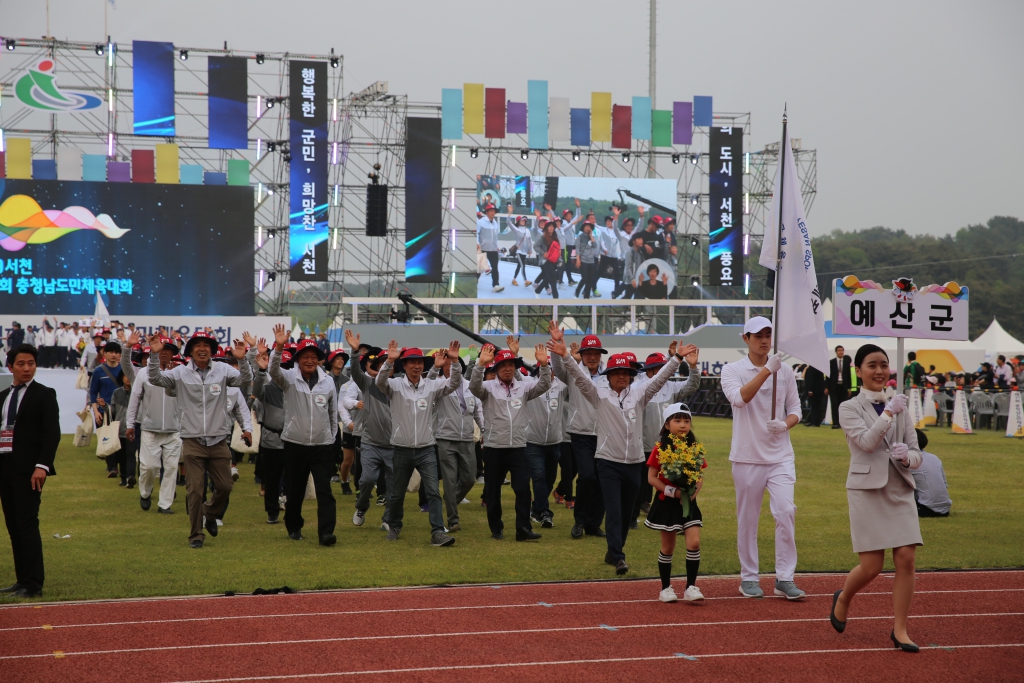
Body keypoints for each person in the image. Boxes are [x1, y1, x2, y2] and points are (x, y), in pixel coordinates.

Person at [550, 335, 691, 575]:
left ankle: (613, 551)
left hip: (634, 463)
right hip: (607, 463)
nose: (621, 376)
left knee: (627, 514)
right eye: (616, 372)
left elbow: (660, 378)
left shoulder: (639, 395)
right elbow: (580, 378)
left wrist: (677, 358)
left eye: (626, 373)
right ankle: (618, 556)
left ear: (631, 376)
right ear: (609, 376)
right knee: (614, 511)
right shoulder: (599, 396)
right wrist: (564, 355)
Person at [831, 344, 923, 653]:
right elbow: (867, 443)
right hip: (865, 489)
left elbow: (916, 451)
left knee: (906, 559)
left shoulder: (899, 405)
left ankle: (900, 630)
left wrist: (907, 457)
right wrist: (888, 413)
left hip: (899, 486)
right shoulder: (848, 407)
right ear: (858, 371)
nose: (880, 370)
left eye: (884, 364)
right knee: (871, 567)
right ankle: (843, 597)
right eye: (872, 365)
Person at [720, 316, 806, 600]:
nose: (764, 339)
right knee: (748, 519)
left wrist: (786, 424)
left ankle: (785, 577)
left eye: (768, 334)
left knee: (786, 512)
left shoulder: (786, 371)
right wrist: (767, 371)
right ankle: (749, 577)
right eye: (758, 335)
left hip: (780, 455)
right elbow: (739, 399)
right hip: (747, 457)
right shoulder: (732, 370)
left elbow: (795, 408)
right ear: (745, 338)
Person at [147, 331, 252, 549]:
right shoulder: (180, 373)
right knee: (195, 490)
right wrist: (154, 355)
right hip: (192, 441)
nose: (202, 348)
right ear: (190, 350)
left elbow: (246, 379)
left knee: (225, 487)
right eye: (197, 345)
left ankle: (210, 513)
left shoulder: (223, 371)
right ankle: (196, 534)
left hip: (218, 441)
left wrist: (242, 359)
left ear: (213, 351)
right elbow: (155, 378)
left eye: (206, 345)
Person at [375, 340, 462, 547]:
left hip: (426, 449)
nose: (416, 366)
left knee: (432, 491)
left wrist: (455, 361)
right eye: (412, 363)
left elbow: (454, 383)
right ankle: (394, 525)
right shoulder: (395, 385)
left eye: (420, 363)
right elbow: (379, 383)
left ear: (424, 365)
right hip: (401, 449)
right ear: (404, 366)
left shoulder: (431, 385)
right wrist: (388, 361)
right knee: (397, 493)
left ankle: (438, 532)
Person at [470, 343, 552, 541]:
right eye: (503, 365)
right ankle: (496, 529)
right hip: (493, 447)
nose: (508, 368)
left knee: (523, 489)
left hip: (518, 447)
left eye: (511, 365)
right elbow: (473, 386)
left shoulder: (523, 388)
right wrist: (480, 364)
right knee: (492, 490)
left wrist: (544, 365)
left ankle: (523, 529)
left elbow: (544, 384)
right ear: (496, 368)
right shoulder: (488, 387)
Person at [269, 326, 339, 546]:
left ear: (319, 360)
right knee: (295, 490)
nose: (309, 360)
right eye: (305, 357)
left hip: (321, 446)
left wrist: (330, 437)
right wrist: (279, 347)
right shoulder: (289, 378)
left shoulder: (328, 382)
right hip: (295, 444)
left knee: (324, 491)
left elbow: (333, 413)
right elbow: (273, 370)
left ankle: (326, 533)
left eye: (313, 357)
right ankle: (294, 525)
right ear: (298, 360)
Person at [1, 345, 58, 599]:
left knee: (26, 524)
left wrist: (41, 466)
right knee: (13, 527)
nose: (26, 368)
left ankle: (33, 583)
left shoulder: (44, 394)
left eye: (31, 363)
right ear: (10, 366)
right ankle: (21, 580)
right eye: (21, 364)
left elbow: (51, 433)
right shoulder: (3, 396)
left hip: (29, 470)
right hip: (4, 468)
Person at [645, 403, 706, 603]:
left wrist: (693, 493)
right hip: (667, 503)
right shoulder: (660, 448)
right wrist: (674, 492)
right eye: (677, 421)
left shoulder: (694, 447)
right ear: (667, 424)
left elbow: (699, 475)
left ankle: (691, 587)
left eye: (686, 421)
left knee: (694, 542)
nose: (683, 425)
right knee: (668, 547)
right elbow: (652, 478)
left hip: (688, 503)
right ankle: (665, 588)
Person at [634, 349, 700, 524]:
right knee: (640, 479)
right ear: (648, 371)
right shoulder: (637, 387)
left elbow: (691, 385)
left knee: (669, 477)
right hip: (642, 442)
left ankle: (659, 508)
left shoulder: (670, 386)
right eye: (659, 368)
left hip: (666, 444)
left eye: (665, 367)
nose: (664, 371)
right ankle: (633, 512)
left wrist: (693, 367)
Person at [554, 332, 609, 539]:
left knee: (603, 479)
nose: (592, 357)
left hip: (605, 433)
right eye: (588, 353)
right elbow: (558, 368)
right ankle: (579, 521)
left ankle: (594, 524)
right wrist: (558, 345)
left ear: (600, 354)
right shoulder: (574, 371)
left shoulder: (609, 374)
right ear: (582, 354)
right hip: (581, 433)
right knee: (586, 476)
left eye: (596, 353)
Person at [427, 349, 484, 533]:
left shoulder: (471, 387)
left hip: (467, 439)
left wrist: (485, 432)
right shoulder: (438, 385)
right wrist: (435, 367)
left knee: (469, 478)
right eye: (444, 365)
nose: (448, 368)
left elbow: (478, 412)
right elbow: (428, 382)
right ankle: (453, 519)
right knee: (450, 481)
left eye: (451, 364)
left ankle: (451, 500)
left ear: (458, 366)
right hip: (445, 439)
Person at [344, 331, 394, 530]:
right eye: (381, 364)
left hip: (394, 444)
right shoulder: (367, 383)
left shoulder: (399, 386)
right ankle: (361, 507)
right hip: (370, 442)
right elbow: (355, 372)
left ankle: (388, 518)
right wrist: (355, 352)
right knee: (367, 479)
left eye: (387, 364)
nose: (384, 368)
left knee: (392, 485)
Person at [251, 340, 287, 524]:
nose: (283, 371)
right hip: (271, 438)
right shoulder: (268, 386)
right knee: (272, 478)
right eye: (281, 366)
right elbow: (256, 391)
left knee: (293, 478)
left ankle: (291, 509)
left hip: (294, 439)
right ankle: (272, 511)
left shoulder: (296, 387)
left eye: (286, 367)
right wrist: (262, 371)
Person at [477, 203, 504, 293]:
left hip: (493, 249)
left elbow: (496, 237)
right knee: (480, 268)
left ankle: (495, 285)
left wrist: (497, 246)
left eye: (494, 211)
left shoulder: (495, 223)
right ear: (487, 212)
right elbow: (476, 233)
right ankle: (475, 281)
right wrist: (477, 243)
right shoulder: (481, 222)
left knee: (495, 267)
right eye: (491, 211)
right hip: (483, 248)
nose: (493, 213)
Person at [533, 221, 562, 299]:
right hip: (545, 260)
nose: (551, 227)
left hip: (554, 260)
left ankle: (537, 291)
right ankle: (556, 298)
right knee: (553, 279)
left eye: (552, 226)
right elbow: (535, 246)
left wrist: (559, 252)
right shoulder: (542, 237)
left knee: (549, 278)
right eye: (549, 226)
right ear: (546, 228)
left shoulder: (555, 237)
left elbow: (558, 247)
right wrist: (543, 252)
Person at [506, 206, 534, 288]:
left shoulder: (527, 230)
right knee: (522, 265)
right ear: (518, 221)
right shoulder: (516, 229)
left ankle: (514, 279)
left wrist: (530, 250)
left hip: (525, 251)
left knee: (519, 265)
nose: (523, 221)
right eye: (521, 220)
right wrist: (509, 212)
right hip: (519, 250)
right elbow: (508, 222)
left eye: (524, 220)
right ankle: (525, 281)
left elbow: (530, 240)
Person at [828, 345, 852, 429]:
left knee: (843, 406)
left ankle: (843, 423)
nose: (841, 352)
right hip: (834, 387)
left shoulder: (846, 362)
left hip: (844, 387)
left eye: (842, 350)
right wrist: (827, 387)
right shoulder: (831, 362)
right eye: (839, 350)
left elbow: (848, 376)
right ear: (836, 352)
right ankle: (835, 423)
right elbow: (828, 376)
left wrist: (849, 388)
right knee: (834, 405)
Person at [574, 221, 600, 299]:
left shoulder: (591, 237)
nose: (587, 228)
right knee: (585, 278)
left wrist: (591, 237)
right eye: (586, 226)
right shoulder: (580, 237)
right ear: (583, 227)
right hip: (583, 260)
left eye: (589, 226)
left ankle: (586, 296)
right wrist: (578, 259)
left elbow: (595, 245)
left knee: (590, 279)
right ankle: (577, 290)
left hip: (591, 260)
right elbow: (577, 249)